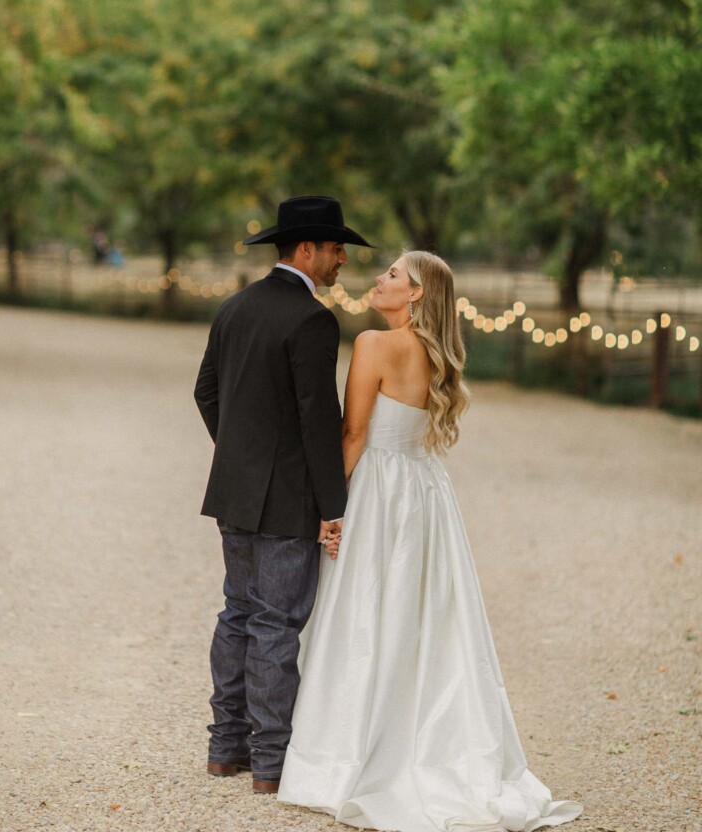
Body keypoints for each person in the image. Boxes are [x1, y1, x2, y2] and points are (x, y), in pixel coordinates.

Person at [279, 250, 583, 832]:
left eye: (393, 274)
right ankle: (431, 740)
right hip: (425, 494)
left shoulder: (373, 345)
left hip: (379, 491)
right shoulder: (436, 355)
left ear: (416, 292)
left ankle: (353, 747)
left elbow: (353, 433)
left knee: (365, 611)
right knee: (427, 621)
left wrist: (328, 509)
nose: (379, 278)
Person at [194, 195, 372, 794]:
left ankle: (226, 749)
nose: (342, 258)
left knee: (237, 613)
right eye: (336, 247)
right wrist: (334, 505)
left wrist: (241, 455)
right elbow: (319, 419)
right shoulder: (312, 319)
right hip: (287, 497)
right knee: (275, 624)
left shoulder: (234, 307)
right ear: (307, 250)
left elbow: (205, 392)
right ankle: (271, 763)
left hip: (235, 490)